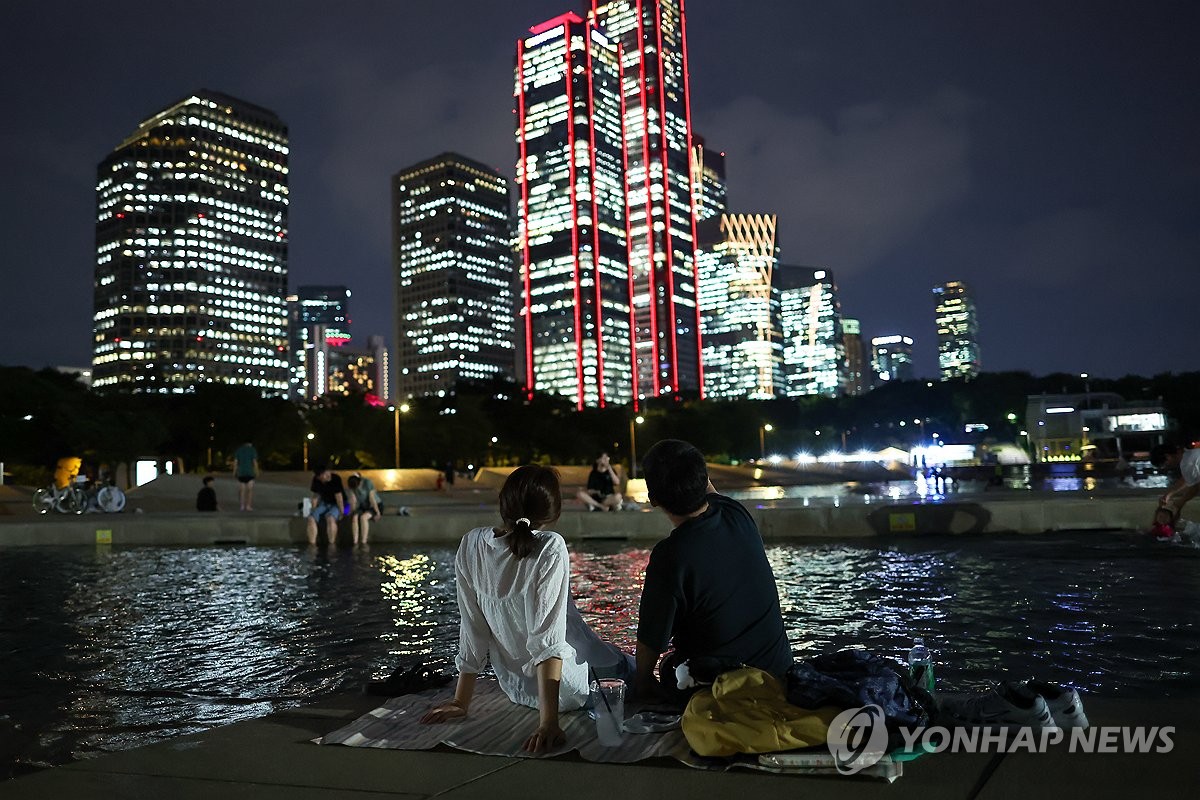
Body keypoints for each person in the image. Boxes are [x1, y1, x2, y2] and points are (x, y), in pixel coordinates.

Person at [420, 465, 632, 752]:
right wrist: (548, 723)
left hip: (516, 689)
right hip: (571, 688)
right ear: (554, 513)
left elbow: (472, 630)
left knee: (613, 656)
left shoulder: (472, 544)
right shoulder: (550, 547)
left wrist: (461, 701)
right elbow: (548, 642)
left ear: (503, 503)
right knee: (630, 666)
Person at [634, 439, 793, 705]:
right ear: (705, 478)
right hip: (780, 673)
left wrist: (642, 683)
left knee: (668, 669)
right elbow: (709, 490)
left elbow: (650, 642)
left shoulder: (670, 555)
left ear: (653, 499)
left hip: (728, 689)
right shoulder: (736, 513)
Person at [1150, 443, 1200, 523]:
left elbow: (1196, 487)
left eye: (1164, 465)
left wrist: (1180, 503)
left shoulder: (1187, 463)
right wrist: (1169, 494)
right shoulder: (1190, 455)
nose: (1166, 467)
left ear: (1167, 457)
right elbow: (1188, 478)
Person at [307, 465, 345, 546]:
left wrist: (342, 512)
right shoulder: (316, 479)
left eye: (322, 477)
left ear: (325, 473)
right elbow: (315, 495)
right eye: (319, 478)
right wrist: (313, 509)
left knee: (330, 518)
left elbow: (339, 497)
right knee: (311, 518)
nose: (321, 480)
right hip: (324, 503)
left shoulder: (335, 478)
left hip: (337, 503)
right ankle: (312, 544)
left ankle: (332, 544)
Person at [346, 473, 381, 546]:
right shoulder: (352, 487)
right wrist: (347, 512)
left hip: (374, 505)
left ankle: (363, 541)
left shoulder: (367, 483)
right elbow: (352, 501)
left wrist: (377, 512)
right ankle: (355, 541)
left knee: (363, 517)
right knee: (354, 517)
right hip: (363, 506)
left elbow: (372, 499)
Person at [232, 441, 259, 511]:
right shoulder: (252, 450)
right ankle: (248, 506)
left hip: (241, 473)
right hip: (250, 473)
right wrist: (257, 471)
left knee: (242, 490)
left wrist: (234, 472)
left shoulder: (238, 450)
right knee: (250, 490)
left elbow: (235, 462)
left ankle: (242, 506)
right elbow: (254, 462)